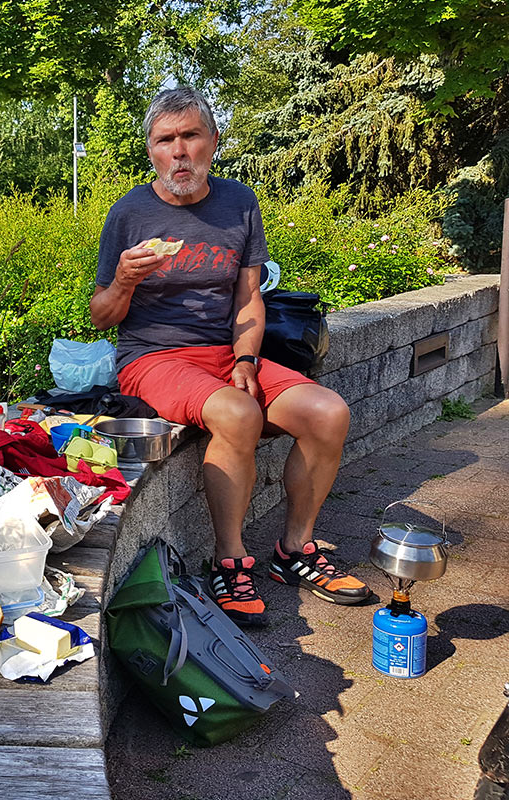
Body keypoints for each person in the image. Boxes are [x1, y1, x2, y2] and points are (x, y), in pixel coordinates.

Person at [90, 86, 370, 625]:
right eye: (165, 140)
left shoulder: (239, 203)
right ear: (150, 150)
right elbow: (102, 316)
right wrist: (123, 280)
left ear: (213, 141)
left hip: (224, 353)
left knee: (327, 412)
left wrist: (245, 359)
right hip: (152, 358)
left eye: (190, 136)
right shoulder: (129, 214)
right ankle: (230, 561)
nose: (179, 151)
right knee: (239, 414)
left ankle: (295, 550)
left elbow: (249, 297)